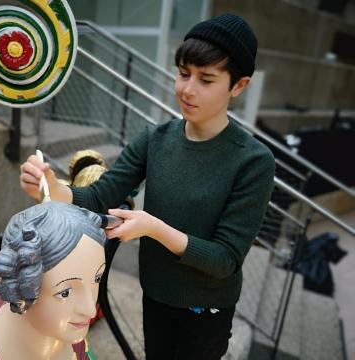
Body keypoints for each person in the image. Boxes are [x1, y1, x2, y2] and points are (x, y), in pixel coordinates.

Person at [20, 13, 275, 360]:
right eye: (184, 73)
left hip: (206, 310)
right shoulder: (156, 139)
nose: (187, 89)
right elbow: (98, 196)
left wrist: (152, 228)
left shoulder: (253, 161)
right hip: (155, 293)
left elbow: (225, 258)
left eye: (206, 79)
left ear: (239, 85)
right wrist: (50, 188)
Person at [0, 201, 106, 360]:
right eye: (64, 293)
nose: (90, 309)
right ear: (19, 289)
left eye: (97, 278)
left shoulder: (71, 344)